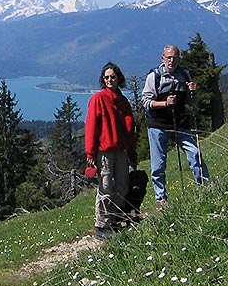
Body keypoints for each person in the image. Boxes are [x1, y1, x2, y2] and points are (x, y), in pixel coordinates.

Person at [142, 45, 209, 208]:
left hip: (179, 124)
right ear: (163, 58)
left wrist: (193, 92)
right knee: (158, 165)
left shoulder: (184, 76)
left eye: (175, 57)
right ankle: (161, 199)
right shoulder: (154, 77)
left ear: (179, 59)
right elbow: (145, 102)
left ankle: (205, 188)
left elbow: (191, 103)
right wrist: (164, 103)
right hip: (158, 125)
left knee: (195, 154)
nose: (172, 61)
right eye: (169, 57)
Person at [85, 62, 138, 239]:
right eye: (106, 77)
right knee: (106, 186)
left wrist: (132, 153)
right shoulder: (98, 99)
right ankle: (101, 225)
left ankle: (113, 219)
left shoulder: (123, 102)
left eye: (112, 77)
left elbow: (129, 130)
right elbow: (92, 127)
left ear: (118, 79)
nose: (109, 80)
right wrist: (90, 154)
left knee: (123, 186)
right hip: (104, 151)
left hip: (120, 150)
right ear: (103, 79)